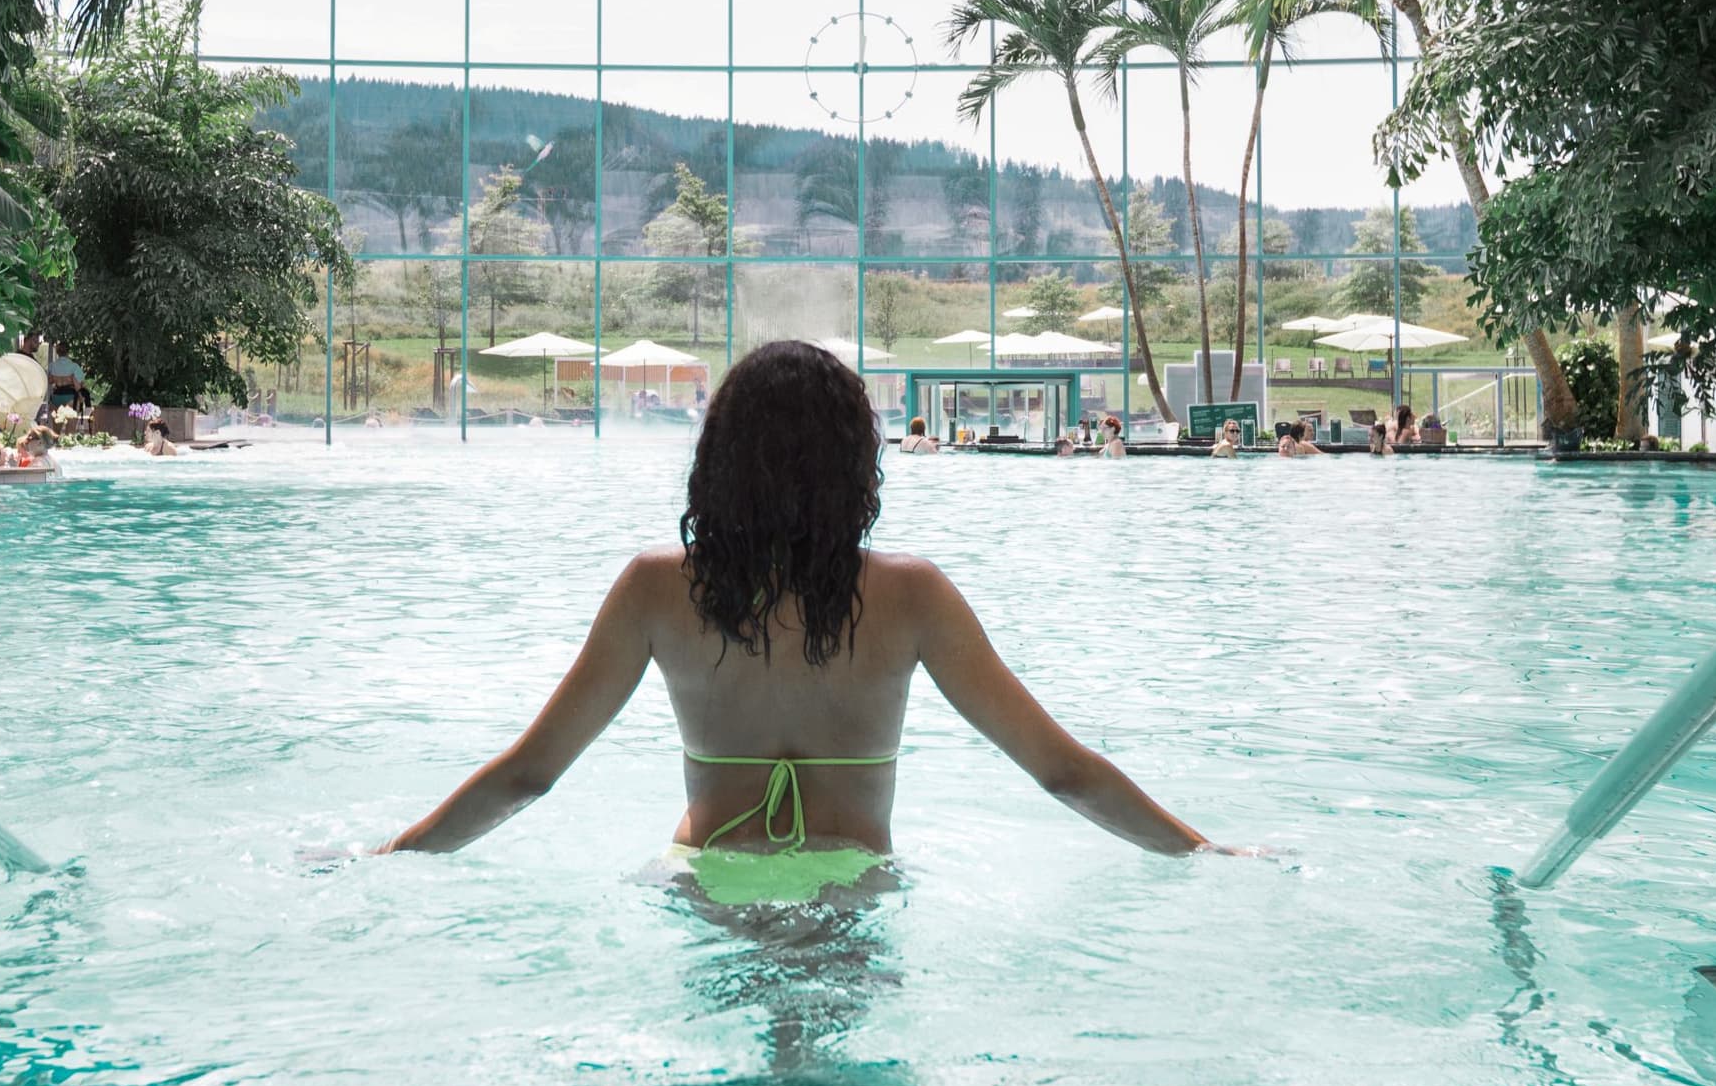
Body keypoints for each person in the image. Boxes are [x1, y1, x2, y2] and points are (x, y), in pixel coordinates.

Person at [387, 340, 1215, 901]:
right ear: (855, 461)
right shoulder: (912, 596)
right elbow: (1062, 772)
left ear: (717, 459)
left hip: (705, 878)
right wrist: (1205, 853)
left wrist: (391, 856)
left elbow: (529, 774)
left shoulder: (654, 588)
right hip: (848, 884)